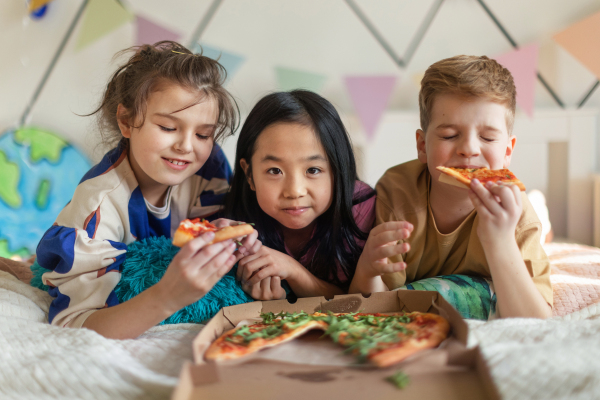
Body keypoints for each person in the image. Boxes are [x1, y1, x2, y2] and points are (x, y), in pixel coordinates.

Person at [35, 41, 260, 339]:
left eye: (204, 133)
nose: (186, 146)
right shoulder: (97, 208)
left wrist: (221, 234)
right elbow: (72, 324)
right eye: (168, 128)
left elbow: (196, 230)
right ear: (126, 121)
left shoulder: (209, 166)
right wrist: (166, 297)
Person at [349, 55, 552, 319]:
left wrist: (500, 240)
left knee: (539, 223)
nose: (468, 149)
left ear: (508, 151)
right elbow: (381, 304)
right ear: (423, 146)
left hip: (522, 218)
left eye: (487, 137)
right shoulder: (396, 191)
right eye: (449, 135)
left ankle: (542, 210)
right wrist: (366, 270)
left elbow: (537, 323)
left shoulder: (519, 216)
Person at [224, 90, 376, 300]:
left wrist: (293, 272)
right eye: (275, 171)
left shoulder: (361, 208)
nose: (295, 191)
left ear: (336, 171)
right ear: (249, 175)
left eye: (313, 170)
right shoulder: (235, 225)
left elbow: (360, 302)